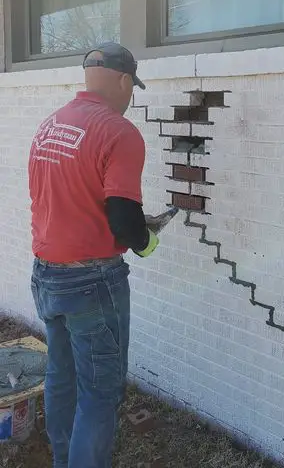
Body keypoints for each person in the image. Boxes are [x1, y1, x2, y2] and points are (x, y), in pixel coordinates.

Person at [28, 42, 162, 468]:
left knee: (62, 377)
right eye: (132, 87)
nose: (130, 96)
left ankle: (64, 460)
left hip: (47, 275)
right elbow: (124, 221)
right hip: (92, 284)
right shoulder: (119, 132)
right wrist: (147, 240)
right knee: (100, 393)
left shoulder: (51, 125)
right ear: (124, 81)